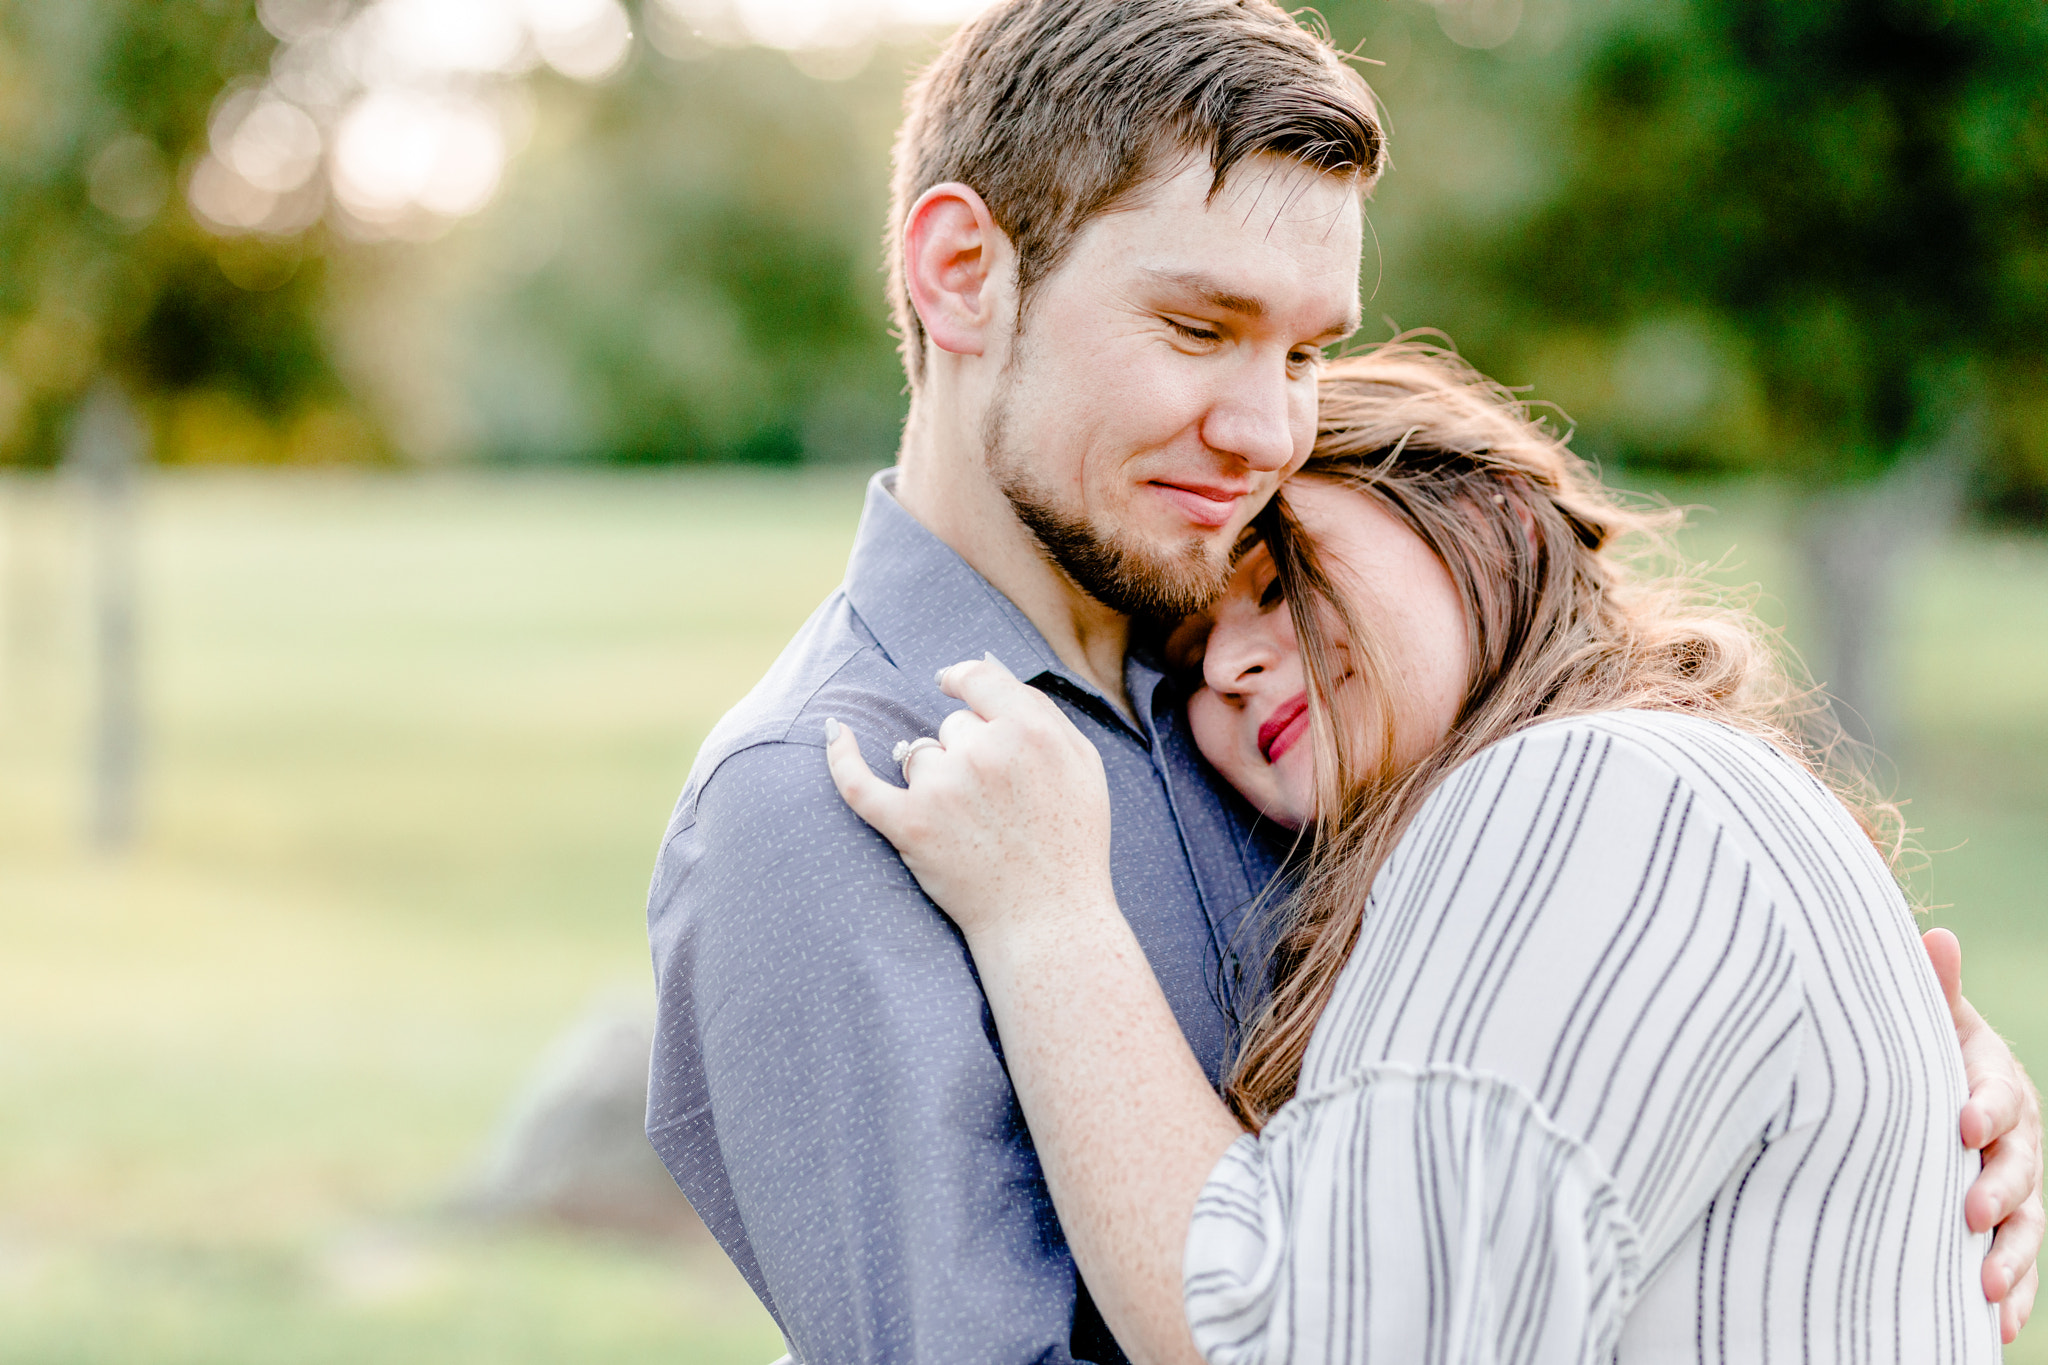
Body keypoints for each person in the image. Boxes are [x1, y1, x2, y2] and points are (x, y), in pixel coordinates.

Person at [644, 3, 2040, 1361]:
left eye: (1308, 352)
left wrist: (1867, 1087)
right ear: (960, 272)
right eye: (1198, 329)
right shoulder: (821, 805)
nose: (1265, 431)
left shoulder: (1303, 727)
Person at [824, 343, 2039, 1362]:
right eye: (1188, 665)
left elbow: (1317, 1336)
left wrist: (1045, 915)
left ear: (1479, 510)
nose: (1227, 672)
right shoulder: (1632, 798)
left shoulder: (1588, 786)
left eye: (1264, 577)